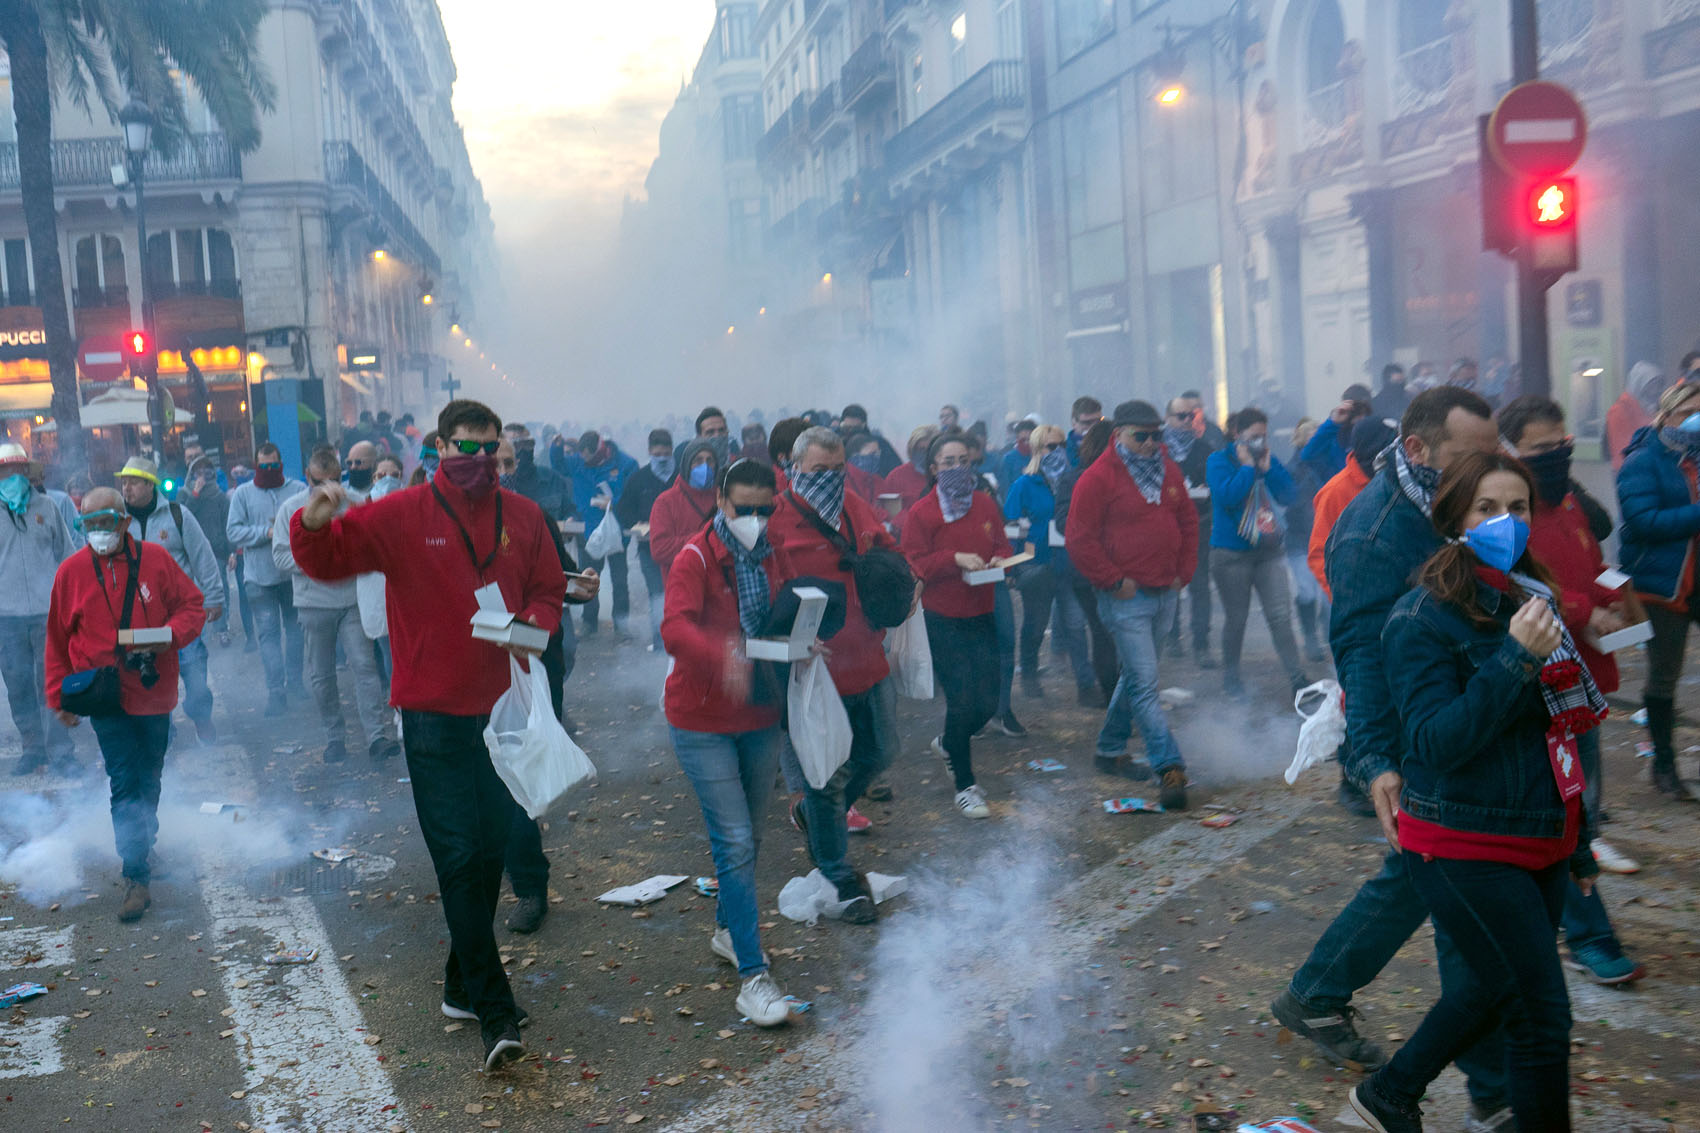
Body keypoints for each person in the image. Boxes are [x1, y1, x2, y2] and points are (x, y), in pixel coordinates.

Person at [290, 399, 566, 1073]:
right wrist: (312, 522)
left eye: (488, 449)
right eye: (463, 447)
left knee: (495, 846)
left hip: (503, 707)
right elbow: (329, 559)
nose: (476, 461)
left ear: (503, 451)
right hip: (432, 713)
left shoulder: (524, 517)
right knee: (458, 856)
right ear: (439, 446)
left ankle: (457, 984)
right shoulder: (404, 513)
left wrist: (530, 624)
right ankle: (495, 1010)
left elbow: (550, 589)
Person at [1273, 387, 1511, 1129]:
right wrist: (1376, 760)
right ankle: (1493, 1087)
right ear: (1418, 450)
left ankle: (1316, 992)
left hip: (1463, 718)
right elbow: (1362, 656)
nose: (1489, 470)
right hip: (1416, 736)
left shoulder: (1459, 503)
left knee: (1420, 877)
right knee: (1453, 886)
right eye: (1473, 456)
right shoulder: (1373, 535)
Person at [1348, 452, 1602, 1133]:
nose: (1506, 521)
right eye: (1487, 507)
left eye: (1517, 506)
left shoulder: (1528, 594)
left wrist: (1580, 841)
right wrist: (1515, 657)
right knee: (1541, 1013)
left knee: (1491, 988)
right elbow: (1434, 740)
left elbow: (1561, 730)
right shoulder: (1421, 616)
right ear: (1453, 517)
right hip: (1463, 839)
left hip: (1540, 831)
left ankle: (1391, 1092)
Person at [1500, 395, 1648, 983]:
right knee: (1571, 810)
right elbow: (1519, 584)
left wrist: (1618, 599)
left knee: (1579, 808)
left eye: (1562, 443)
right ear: (1512, 451)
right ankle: (1588, 936)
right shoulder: (1509, 514)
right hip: (1546, 683)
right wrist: (1586, 610)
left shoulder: (1569, 506)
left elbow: (1595, 565)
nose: (1559, 454)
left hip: (1586, 682)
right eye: (1543, 448)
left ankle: (1557, 922)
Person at [663, 457, 798, 1025]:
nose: (757, 519)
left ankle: (726, 927)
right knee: (736, 840)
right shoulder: (694, 557)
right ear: (721, 502)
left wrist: (803, 644)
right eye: (745, 509)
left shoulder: (775, 552)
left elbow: (782, 618)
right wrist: (722, 657)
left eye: (766, 509)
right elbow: (674, 628)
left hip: (760, 713)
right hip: (701, 720)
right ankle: (752, 974)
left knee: (751, 837)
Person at [45, 487, 206, 921]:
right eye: (88, 523)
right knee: (123, 779)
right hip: (104, 694)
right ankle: (135, 872)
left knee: (150, 774)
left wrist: (170, 634)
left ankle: (145, 844)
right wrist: (58, 696)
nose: (97, 532)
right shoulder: (71, 572)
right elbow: (57, 640)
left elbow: (193, 606)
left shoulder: (156, 559)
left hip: (155, 688)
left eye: (104, 522)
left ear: (124, 522)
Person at [771, 429, 905, 912]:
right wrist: (789, 641)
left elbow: (887, 547)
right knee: (826, 777)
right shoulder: (775, 519)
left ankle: (814, 812)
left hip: (868, 655)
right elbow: (766, 591)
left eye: (837, 469)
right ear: (793, 468)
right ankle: (839, 876)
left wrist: (902, 581)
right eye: (817, 471)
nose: (829, 479)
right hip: (815, 670)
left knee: (883, 750)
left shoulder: (854, 505)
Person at [1067, 401, 1196, 807]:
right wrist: (1112, 580)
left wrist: (1183, 572)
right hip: (1126, 597)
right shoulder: (1097, 478)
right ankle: (1169, 766)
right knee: (1144, 683)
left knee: (1136, 678)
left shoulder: (1168, 470)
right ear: (1119, 434)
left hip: (1164, 591)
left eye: (1156, 435)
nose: (1151, 443)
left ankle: (1108, 749)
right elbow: (1079, 540)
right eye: (1141, 435)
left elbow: (1188, 522)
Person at [496, 437, 600, 933]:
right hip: (472, 669)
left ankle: (530, 887)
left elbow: (560, 584)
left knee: (521, 779)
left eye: (504, 465)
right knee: (482, 781)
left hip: (533, 663)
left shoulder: (533, 517)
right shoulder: (441, 526)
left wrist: (582, 587)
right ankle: (494, 864)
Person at [902, 431, 1011, 820]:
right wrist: (954, 558)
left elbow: (1001, 544)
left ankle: (949, 742)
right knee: (962, 699)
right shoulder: (922, 512)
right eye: (948, 462)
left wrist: (1000, 559)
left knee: (988, 700)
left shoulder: (983, 503)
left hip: (982, 611)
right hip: (942, 618)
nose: (957, 468)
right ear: (933, 469)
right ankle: (965, 786)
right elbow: (914, 561)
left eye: (963, 460)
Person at [273, 445, 398, 765]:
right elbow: (280, 555)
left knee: (365, 667)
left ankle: (376, 737)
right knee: (322, 675)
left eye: (334, 479)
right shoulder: (291, 508)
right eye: (320, 481)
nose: (328, 488)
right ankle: (334, 738)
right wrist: (316, 561)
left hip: (351, 600)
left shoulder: (354, 503)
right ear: (308, 478)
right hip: (313, 603)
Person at [1306, 415, 1399, 819]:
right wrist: (1348, 596)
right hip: (1354, 612)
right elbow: (1317, 555)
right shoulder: (1335, 492)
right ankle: (1350, 778)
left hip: (1393, 608)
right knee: (1355, 697)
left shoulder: (1396, 486)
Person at [1616, 379, 1700, 797]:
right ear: (1665, 416)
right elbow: (1642, 521)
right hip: (1662, 586)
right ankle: (1664, 766)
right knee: (1664, 676)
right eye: (1688, 414)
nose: (1695, 422)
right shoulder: (1642, 461)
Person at [117, 456, 224, 745]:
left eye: (134, 482)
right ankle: (164, 732)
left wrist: (214, 597)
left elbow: (203, 555)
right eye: (124, 482)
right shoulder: (117, 521)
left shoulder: (177, 515)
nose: (126, 489)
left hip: (180, 615)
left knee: (194, 671)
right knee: (149, 679)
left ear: (150, 485)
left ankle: (202, 718)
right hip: (139, 620)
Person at [1206, 408, 1309, 700]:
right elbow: (1227, 496)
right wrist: (1247, 468)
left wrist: (1268, 468)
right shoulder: (1218, 460)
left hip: (1267, 551)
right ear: (1237, 434)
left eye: (1263, 436)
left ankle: (1297, 677)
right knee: (1236, 618)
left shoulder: (1267, 457)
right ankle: (1231, 675)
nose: (1259, 441)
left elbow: (1290, 496)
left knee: (1280, 616)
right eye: (1253, 436)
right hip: (1231, 554)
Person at [0, 442, 76, 775]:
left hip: (48, 614)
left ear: (28, 473)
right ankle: (31, 747)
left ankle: (62, 751)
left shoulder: (48, 505)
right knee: (18, 685)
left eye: (18, 470)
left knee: (53, 683)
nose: (13, 476)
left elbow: (68, 558)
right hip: (7, 618)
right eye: (6, 470)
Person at [227, 442, 306, 715]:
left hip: (291, 575)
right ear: (256, 465)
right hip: (259, 578)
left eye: (274, 465)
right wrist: (265, 533)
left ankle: (296, 682)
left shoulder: (297, 490)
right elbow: (233, 532)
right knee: (269, 635)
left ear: (281, 463)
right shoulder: (243, 494)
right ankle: (276, 691)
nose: (269, 470)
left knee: (296, 632)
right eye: (264, 466)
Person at [1050, 421, 1118, 708]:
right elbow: (1066, 523)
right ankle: (1110, 692)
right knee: (1101, 630)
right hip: (1087, 569)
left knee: (1118, 631)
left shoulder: (1135, 478)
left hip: (1127, 566)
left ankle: (1121, 691)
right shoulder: (1074, 479)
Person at [1003, 424, 1065, 697]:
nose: (1058, 451)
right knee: (1036, 622)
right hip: (1035, 560)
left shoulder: (1071, 479)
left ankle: (1084, 676)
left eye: (1062, 445)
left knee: (1073, 620)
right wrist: (1012, 565)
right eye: (1052, 446)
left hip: (1068, 557)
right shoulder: (1024, 484)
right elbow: (1010, 525)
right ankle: (1029, 673)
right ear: (1037, 449)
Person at [1163, 394, 1220, 667]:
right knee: (1167, 583)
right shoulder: (1156, 449)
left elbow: (1214, 485)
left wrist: (1203, 492)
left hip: (1199, 523)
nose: (1187, 421)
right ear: (1168, 419)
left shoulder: (1204, 448)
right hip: (1164, 527)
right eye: (1181, 416)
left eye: (1191, 416)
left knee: (1199, 585)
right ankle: (1170, 638)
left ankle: (1201, 643)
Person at [560, 431, 635, 637]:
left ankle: (621, 624)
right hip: (590, 531)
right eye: (582, 456)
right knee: (587, 579)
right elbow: (559, 465)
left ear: (600, 450)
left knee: (620, 579)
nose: (585, 460)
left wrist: (613, 504)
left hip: (617, 531)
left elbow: (632, 495)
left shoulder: (626, 464)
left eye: (588, 457)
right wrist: (556, 447)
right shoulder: (577, 462)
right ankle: (588, 621)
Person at [615, 428, 677, 651]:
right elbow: (623, 510)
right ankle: (661, 643)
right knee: (657, 594)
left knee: (676, 593)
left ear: (671, 451)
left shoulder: (680, 476)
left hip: (678, 547)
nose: (661, 459)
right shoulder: (639, 479)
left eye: (665, 454)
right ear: (650, 452)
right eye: (657, 454)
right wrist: (638, 525)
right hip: (648, 547)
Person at [1285, 419, 1328, 665]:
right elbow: (1290, 501)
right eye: (1312, 434)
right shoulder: (1294, 467)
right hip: (1300, 539)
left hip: (1323, 537)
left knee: (1325, 594)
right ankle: (1310, 637)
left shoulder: (1326, 462)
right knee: (1306, 591)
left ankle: (1325, 636)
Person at [650, 438, 724, 579]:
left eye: (710, 461)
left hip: (720, 583)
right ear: (687, 465)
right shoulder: (665, 502)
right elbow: (659, 549)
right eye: (698, 461)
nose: (705, 466)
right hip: (683, 582)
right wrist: (705, 538)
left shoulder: (723, 495)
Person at [182, 456, 234, 646]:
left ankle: (221, 628)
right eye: (198, 472)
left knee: (218, 589)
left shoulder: (220, 496)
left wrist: (231, 552)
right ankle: (200, 632)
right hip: (191, 553)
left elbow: (227, 523)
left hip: (216, 551)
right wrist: (195, 494)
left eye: (207, 472)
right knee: (195, 594)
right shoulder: (184, 494)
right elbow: (182, 517)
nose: (203, 476)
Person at [1606, 361, 1663, 472]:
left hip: (1647, 466)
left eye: (1658, 384)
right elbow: (1622, 447)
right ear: (1639, 383)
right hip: (1630, 470)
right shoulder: (1620, 410)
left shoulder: (1648, 406)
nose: (1656, 389)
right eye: (1652, 384)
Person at [1000, 417, 1037, 489]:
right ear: (1017, 439)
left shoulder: (1039, 458)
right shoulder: (1008, 459)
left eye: (1029, 440)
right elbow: (1005, 486)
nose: (1026, 443)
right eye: (1023, 440)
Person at [1066, 396, 1103, 468]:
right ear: (1074, 423)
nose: (1094, 427)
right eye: (1087, 423)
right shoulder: (1063, 452)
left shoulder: (1110, 444)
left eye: (1098, 421)